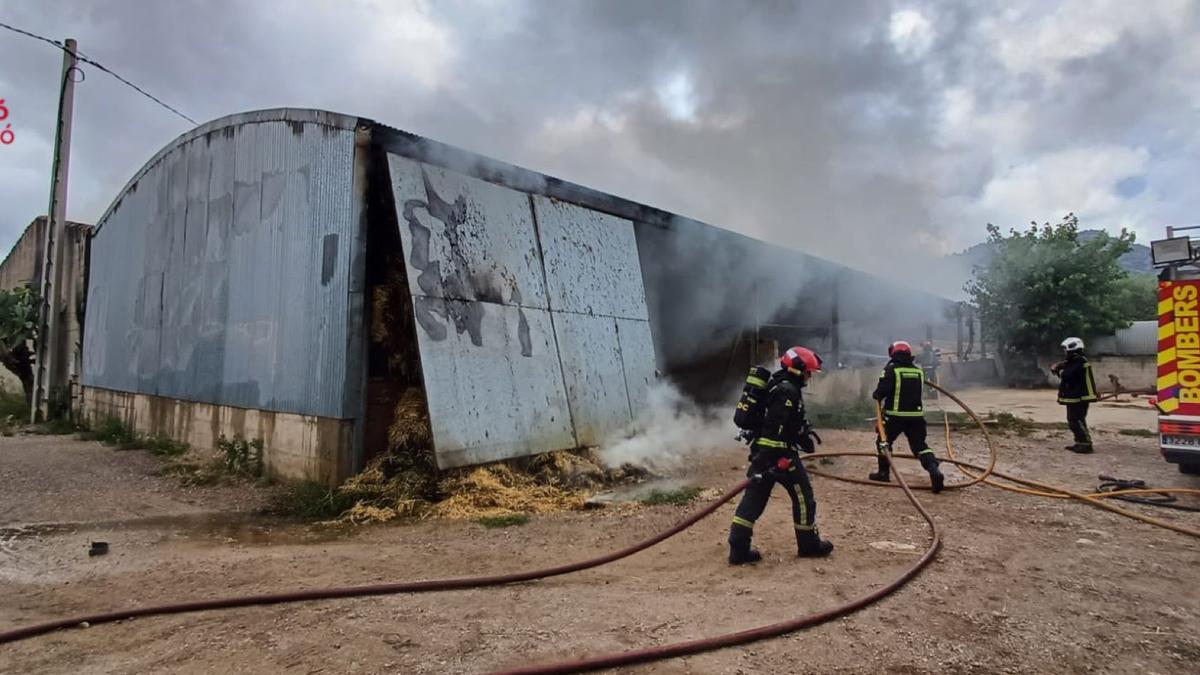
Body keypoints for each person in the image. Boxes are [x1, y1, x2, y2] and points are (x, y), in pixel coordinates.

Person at [728, 346, 833, 565]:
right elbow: (775, 429)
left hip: (764, 454)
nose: (809, 376)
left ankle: (738, 548)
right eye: (808, 372)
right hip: (779, 455)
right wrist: (772, 459)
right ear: (797, 369)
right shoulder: (787, 391)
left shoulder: (777, 385)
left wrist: (801, 436)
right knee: (804, 497)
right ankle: (809, 544)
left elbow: (782, 425)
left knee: (753, 501)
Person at [869, 341, 945, 493]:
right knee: (920, 446)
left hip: (895, 416)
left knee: (883, 442)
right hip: (916, 417)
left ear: (893, 353)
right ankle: (933, 469)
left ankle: (883, 473)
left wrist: (876, 395)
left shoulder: (891, 369)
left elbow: (881, 391)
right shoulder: (918, 371)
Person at [1050, 337, 1098, 453]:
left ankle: (1086, 444)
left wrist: (1057, 370)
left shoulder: (1079, 361)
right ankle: (1080, 442)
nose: (1065, 352)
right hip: (1076, 396)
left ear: (1072, 349)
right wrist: (1061, 365)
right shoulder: (1076, 361)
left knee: (1076, 420)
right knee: (1074, 420)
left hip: (1079, 397)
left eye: (1066, 350)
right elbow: (1068, 367)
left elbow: (1067, 376)